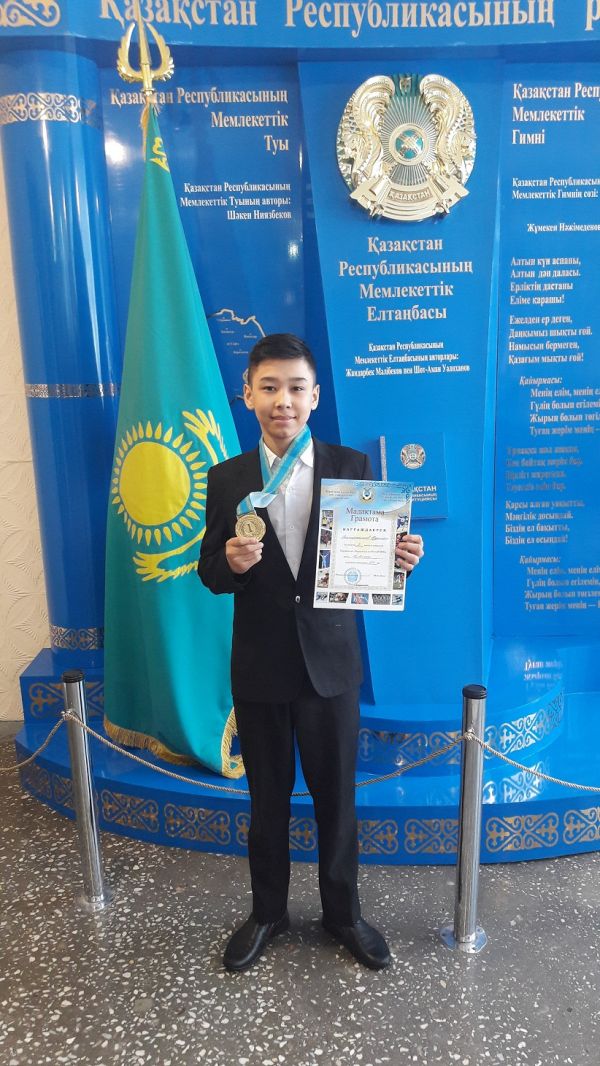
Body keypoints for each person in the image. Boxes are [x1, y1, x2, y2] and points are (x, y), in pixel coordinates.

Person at [198, 333, 424, 972]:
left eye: (296, 388)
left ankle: (343, 914)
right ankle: (267, 912)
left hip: (330, 666)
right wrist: (231, 563)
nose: (283, 401)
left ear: (315, 396)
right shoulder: (228, 478)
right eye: (269, 387)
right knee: (266, 801)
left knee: (337, 800)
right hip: (261, 667)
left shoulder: (351, 467)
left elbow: (372, 564)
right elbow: (209, 570)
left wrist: (400, 560)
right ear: (248, 394)